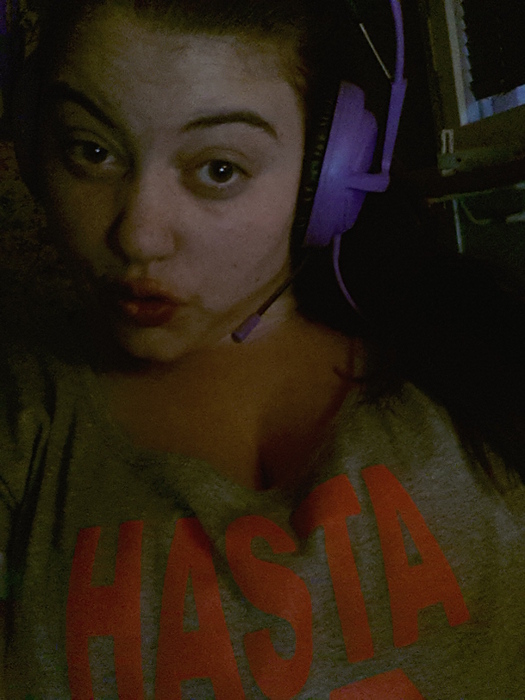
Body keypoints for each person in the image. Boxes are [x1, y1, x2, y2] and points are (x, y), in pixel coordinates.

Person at [0, 0, 524, 696]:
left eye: (219, 169)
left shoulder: (483, 371)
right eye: (91, 151)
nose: (139, 235)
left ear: (330, 174)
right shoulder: (23, 414)